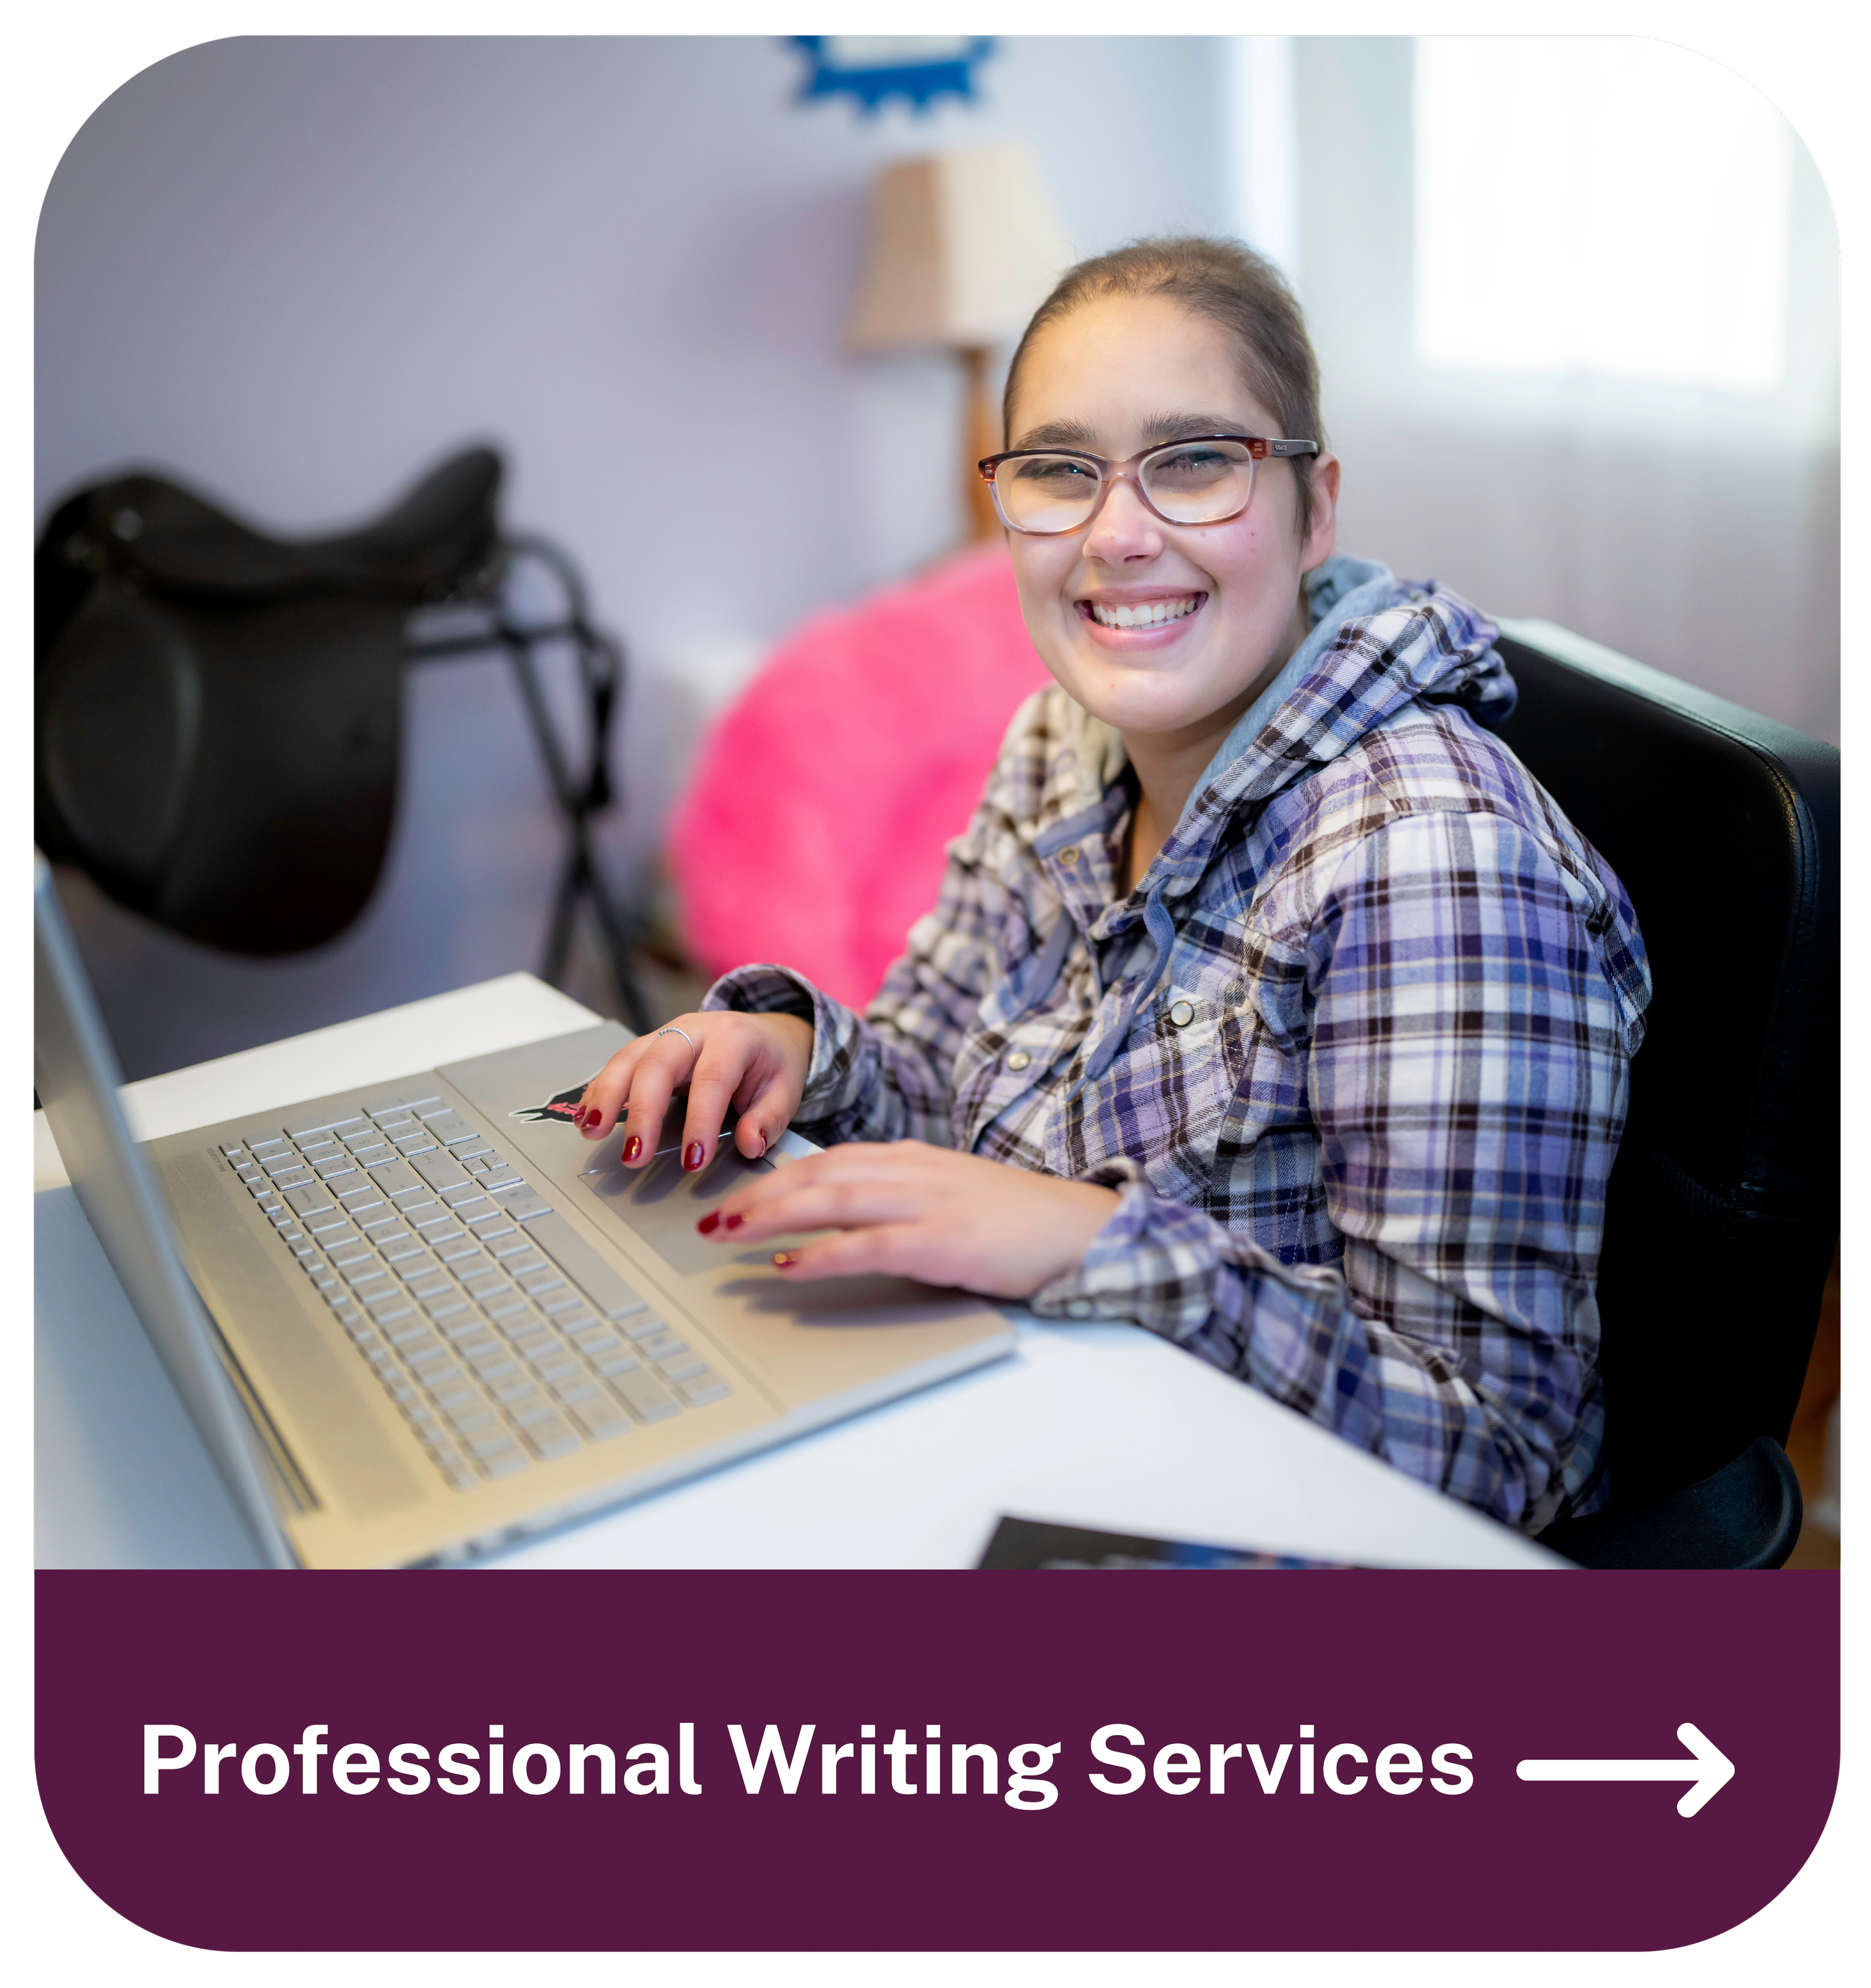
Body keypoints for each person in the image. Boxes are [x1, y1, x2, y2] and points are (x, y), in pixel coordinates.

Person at [573, 237, 1651, 1534]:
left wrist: (1088, 1242)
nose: (1119, 533)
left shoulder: (1433, 858)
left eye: (1195, 461)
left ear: (1317, 509)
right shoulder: (1061, 741)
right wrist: (790, 1044)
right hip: (1038, 1413)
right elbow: (932, 1064)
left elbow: (1497, 1452)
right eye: (1059, 471)